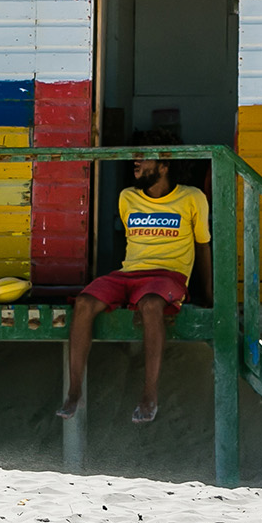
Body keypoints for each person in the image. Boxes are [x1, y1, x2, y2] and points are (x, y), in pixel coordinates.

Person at [56, 152, 211, 424]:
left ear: (164, 165)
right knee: (84, 302)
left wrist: (209, 293)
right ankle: (74, 391)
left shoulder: (192, 197)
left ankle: (149, 395)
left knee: (150, 305)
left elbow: (202, 244)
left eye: (144, 158)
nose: (135, 162)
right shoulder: (127, 196)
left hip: (168, 275)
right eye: (135, 157)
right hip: (129, 273)